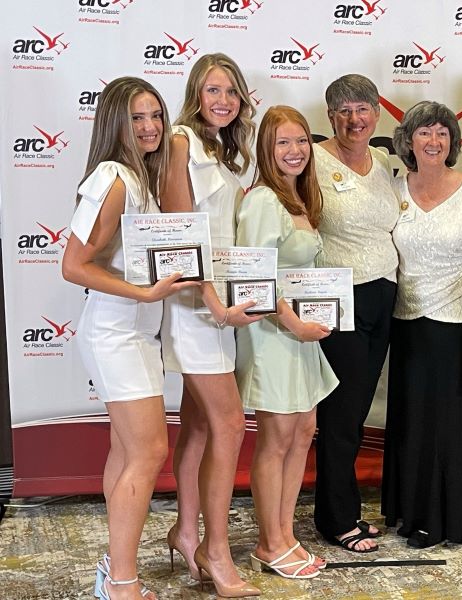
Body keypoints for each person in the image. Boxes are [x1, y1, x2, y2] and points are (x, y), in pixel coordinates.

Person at [62, 76, 199, 600]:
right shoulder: (114, 177)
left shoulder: (141, 176)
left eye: (156, 116)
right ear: (115, 123)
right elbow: (73, 265)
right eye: (137, 118)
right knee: (148, 452)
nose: (149, 127)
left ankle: (113, 570)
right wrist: (141, 295)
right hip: (115, 332)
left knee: (126, 455)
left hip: (138, 334)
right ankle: (122, 582)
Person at [159, 53, 261, 597]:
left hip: (221, 304)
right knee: (227, 425)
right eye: (212, 89)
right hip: (198, 306)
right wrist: (214, 305)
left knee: (200, 425)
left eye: (231, 92)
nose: (222, 100)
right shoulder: (180, 142)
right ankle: (215, 551)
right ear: (196, 93)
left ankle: (184, 529)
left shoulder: (222, 148)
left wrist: (229, 303)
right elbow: (181, 234)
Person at [236, 106, 337, 579]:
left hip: (301, 334)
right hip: (273, 335)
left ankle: (284, 533)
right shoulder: (262, 201)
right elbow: (252, 281)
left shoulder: (301, 199)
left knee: (301, 434)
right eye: (283, 143)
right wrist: (293, 323)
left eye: (301, 142)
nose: (294, 151)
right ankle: (268, 542)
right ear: (266, 150)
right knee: (276, 440)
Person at [381, 101, 462, 548]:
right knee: (410, 421)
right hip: (405, 321)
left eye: (443, 133)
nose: (434, 141)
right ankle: (410, 511)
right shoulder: (393, 187)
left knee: (449, 425)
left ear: (453, 142)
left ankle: (448, 519)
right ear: (408, 140)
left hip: (456, 322)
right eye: (424, 132)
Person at [313, 74, 399, 552]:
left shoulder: (385, 161)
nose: (353, 119)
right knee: (341, 415)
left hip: (383, 295)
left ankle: (343, 509)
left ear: (376, 114)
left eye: (362, 108)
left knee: (359, 410)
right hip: (336, 298)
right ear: (329, 116)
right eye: (343, 110)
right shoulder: (313, 159)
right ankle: (336, 518)